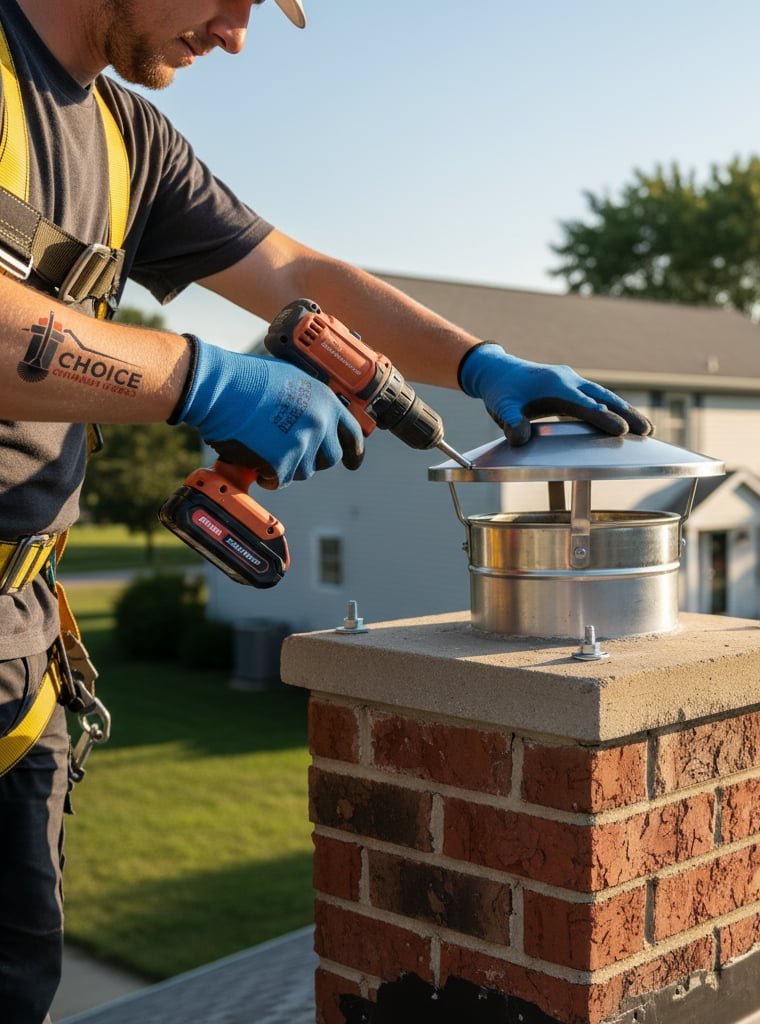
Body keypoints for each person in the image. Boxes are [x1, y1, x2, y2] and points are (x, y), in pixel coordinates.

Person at [0, 2, 652, 1020]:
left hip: (17, 642)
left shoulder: (128, 141)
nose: (235, 35)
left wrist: (476, 364)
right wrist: (199, 378)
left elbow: (296, 277)